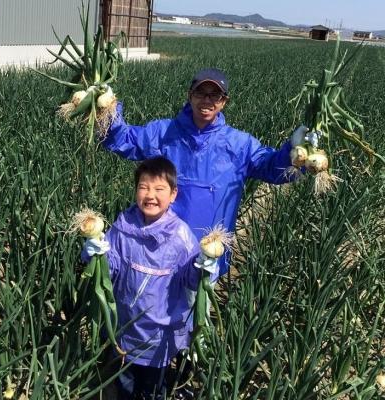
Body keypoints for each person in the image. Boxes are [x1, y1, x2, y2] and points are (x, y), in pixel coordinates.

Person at [102, 67, 316, 278]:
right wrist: (106, 108)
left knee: (199, 308)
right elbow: (124, 140)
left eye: (215, 95)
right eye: (200, 93)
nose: (207, 100)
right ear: (190, 96)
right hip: (161, 252)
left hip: (208, 254)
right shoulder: (164, 132)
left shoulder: (238, 144)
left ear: (224, 102)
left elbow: (271, 168)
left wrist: (295, 151)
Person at [82, 157, 216, 400]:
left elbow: (190, 280)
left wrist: (204, 267)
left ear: (173, 195)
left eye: (159, 189)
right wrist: (97, 255)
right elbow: (111, 270)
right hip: (125, 328)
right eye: (144, 187)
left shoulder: (181, 236)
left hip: (160, 337)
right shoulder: (123, 228)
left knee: (153, 391)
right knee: (125, 385)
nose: (150, 195)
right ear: (135, 191)